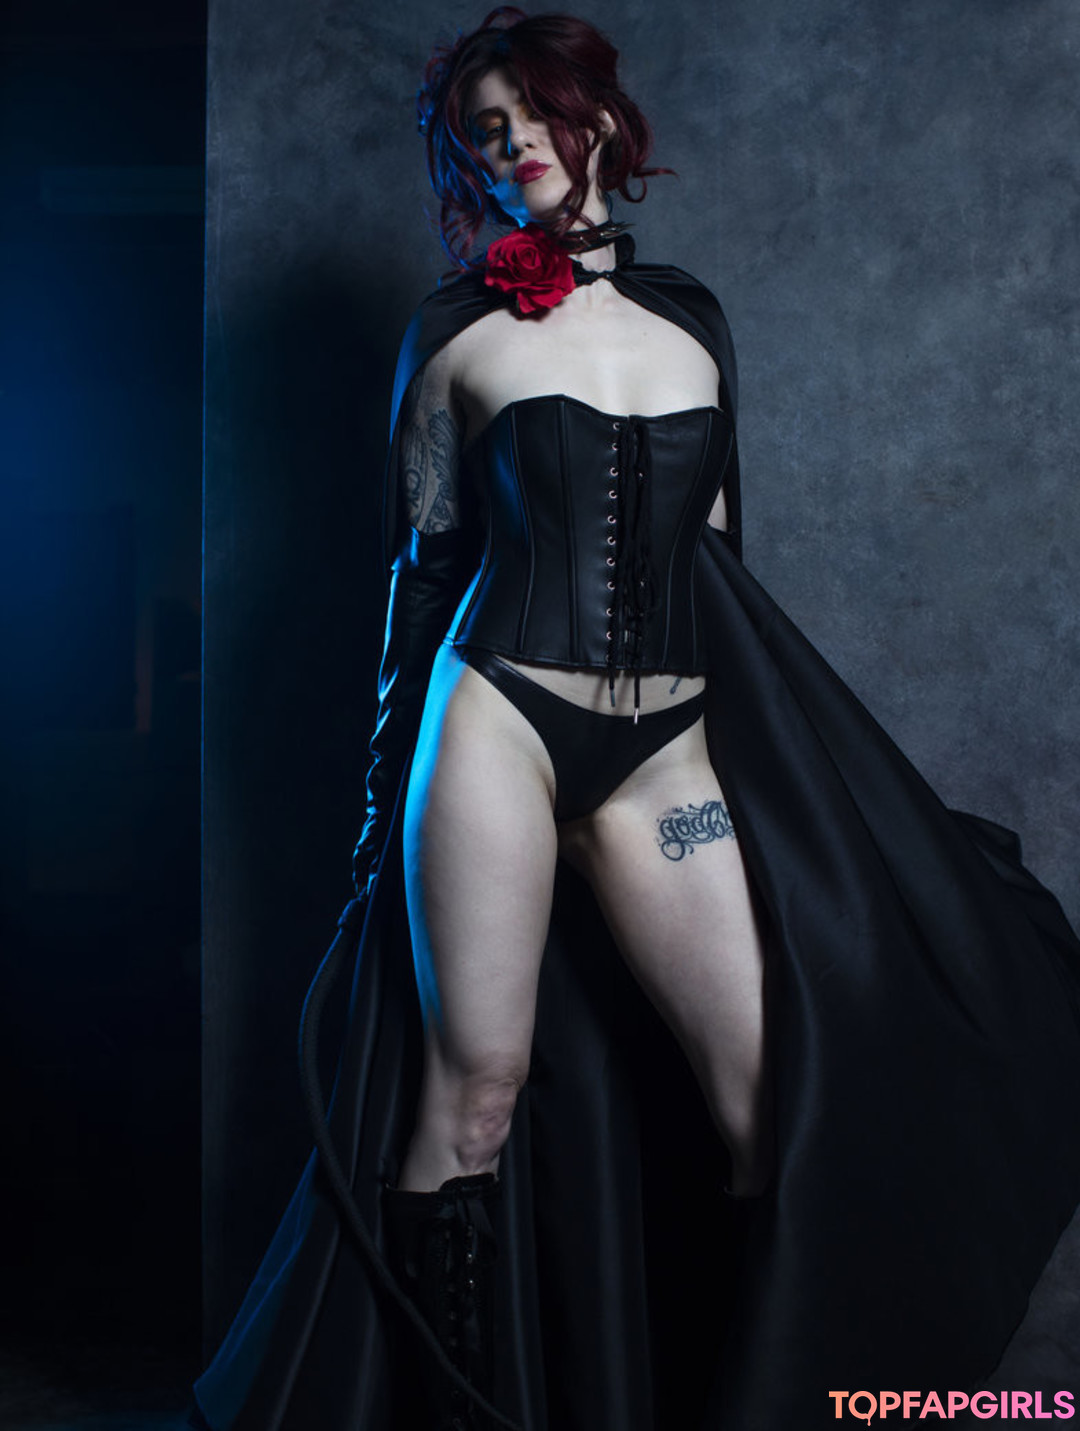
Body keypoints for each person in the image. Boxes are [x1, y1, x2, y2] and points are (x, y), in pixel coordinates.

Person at [193, 9, 1080, 1431]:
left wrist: (795, 787)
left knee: (764, 1101)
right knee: (475, 1095)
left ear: (598, 116)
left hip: (661, 757)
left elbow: (718, 567)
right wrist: (375, 817)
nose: (512, 146)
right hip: (497, 721)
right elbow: (419, 576)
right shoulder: (454, 337)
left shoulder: (693, 323)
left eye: (530, 113)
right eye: (484, 132)